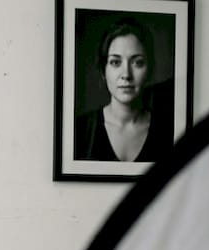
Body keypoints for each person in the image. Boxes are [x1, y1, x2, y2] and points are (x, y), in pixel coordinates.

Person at [73, 17, 173, 162]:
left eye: (137, 62)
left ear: (149, 70)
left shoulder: (169, 131)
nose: (126, 74)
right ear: (103, 71)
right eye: (115, 62)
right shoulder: (78, 130)